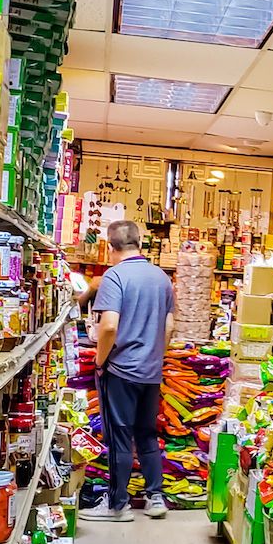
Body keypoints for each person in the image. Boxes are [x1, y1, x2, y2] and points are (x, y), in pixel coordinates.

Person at [80, 220, 175, 522]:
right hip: (151, 370)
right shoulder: (161, 278)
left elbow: (108, 326)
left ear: (111, 247)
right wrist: (154, 355)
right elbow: (169, 326)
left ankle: (117, 506)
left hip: (120, 369)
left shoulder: (115, 277)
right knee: (147, 434)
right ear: (139, 244)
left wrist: (99, 360)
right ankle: (155, 497)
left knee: (119, 436)